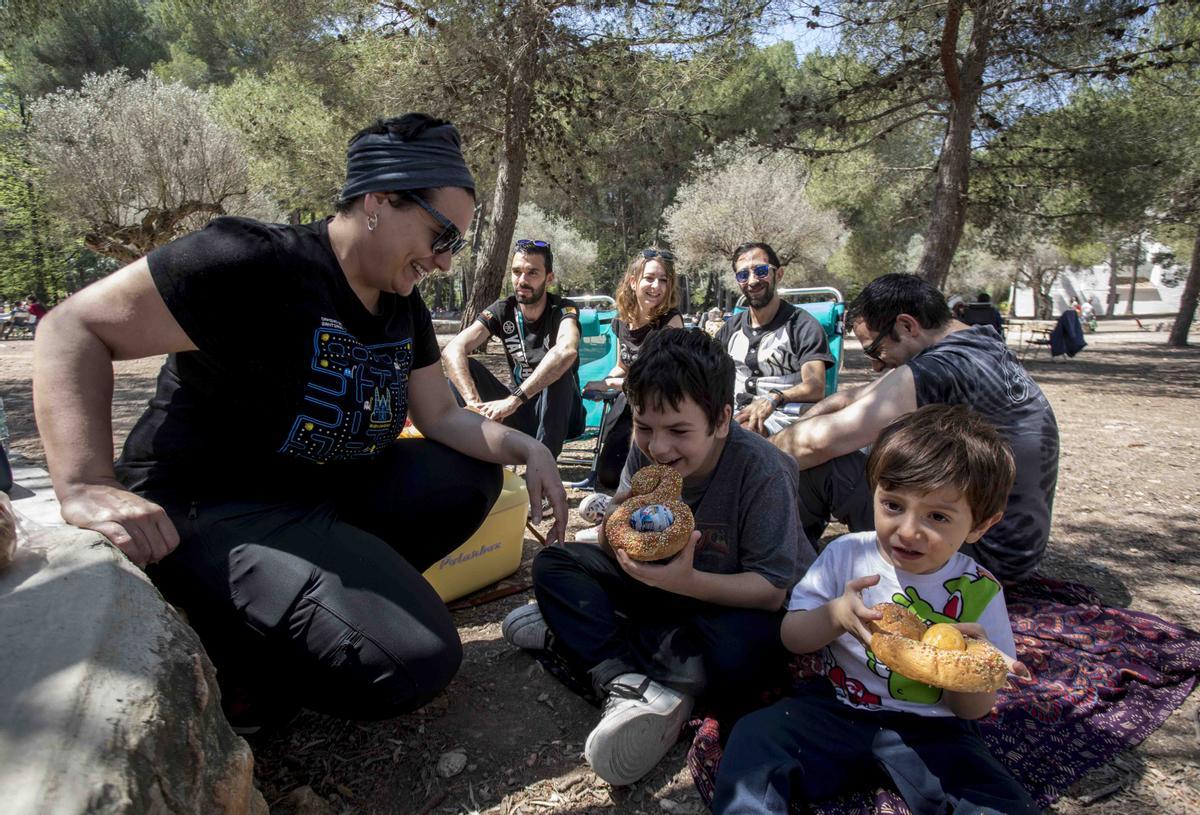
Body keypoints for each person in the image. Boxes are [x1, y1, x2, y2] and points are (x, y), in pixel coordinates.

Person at [32, 113, 568, 730]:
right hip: (216, 504)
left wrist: (530, 450)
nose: (446, 263)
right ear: (379, 199)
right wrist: (83, 484)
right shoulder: (254, 262)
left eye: (457, 245)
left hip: (319, 492)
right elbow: (73, 328)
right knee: (419, 662)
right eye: (441, 235)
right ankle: (250, 663)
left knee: (469, 476)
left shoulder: (402, 302)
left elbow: (442, 416)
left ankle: (314, 625)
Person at [502, 328, 815, 786]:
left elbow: (770, 592)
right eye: (645, 427)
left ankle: (582, 639)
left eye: (679, 431)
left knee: (739, 661)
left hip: (732, 602)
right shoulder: (645, 450)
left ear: (722, 420)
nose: (659, 447)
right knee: (554, 565)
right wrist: (615, 518)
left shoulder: (763, 471)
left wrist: (683, 582)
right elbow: (618, 545)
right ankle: (626, 681)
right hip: (663, 589)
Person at [712, 405, 1038, 815]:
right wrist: (836, 616)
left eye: (937, 516)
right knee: (755, 738)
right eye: (894, 505)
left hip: (933, 728)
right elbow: (792, 637)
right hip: (838, 706)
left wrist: (971, 670)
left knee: (997, 798)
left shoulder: (980, 591)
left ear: (980, 525)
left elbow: (973, 710)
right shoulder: (847, 554)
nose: (908, 530)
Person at [771, 273, 1059, 583]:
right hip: (1007, 548)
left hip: (981, 557)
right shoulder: (978, 343)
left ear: (907, 326)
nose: (875, 366)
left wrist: (745, 459)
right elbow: (850, 397)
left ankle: (785, 579)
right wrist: (802, 424)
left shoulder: (941, 370)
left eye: (875, 351)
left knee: (819, 467)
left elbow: (814, 445)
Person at [443, 239, 584, 457]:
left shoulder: (563, 309)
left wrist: (513, 399)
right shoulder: (502, 310)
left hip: (563, 413)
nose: (522, 280)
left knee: (559, 369)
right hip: (522, 412)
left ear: (549, 278)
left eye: (532, 273)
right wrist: (474, 405)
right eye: (516, 272)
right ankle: (473, 452)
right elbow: (453, 349)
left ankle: (541, 463)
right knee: (464, 366)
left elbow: (566, 350)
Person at [584, 247, 684, 492]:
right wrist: (604, 380)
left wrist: (612, 384)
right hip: (629, 404)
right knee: (609, 475)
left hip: (660, 409)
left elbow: (663, 378)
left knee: (639, 478)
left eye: (663, 280)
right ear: (632, 281)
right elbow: (622, 366)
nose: (656, 286)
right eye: (649, 278)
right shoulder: (621, 320)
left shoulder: (670, 322)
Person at [715, 242, 834, 437]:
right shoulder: (730, 329)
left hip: (786, 417)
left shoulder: (802, 326)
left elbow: (815, 387)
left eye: (761, 271)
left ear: (778, 274)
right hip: (735, 415)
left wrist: (774, 398)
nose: (752, 281)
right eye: (743, 275)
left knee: (742, 435)